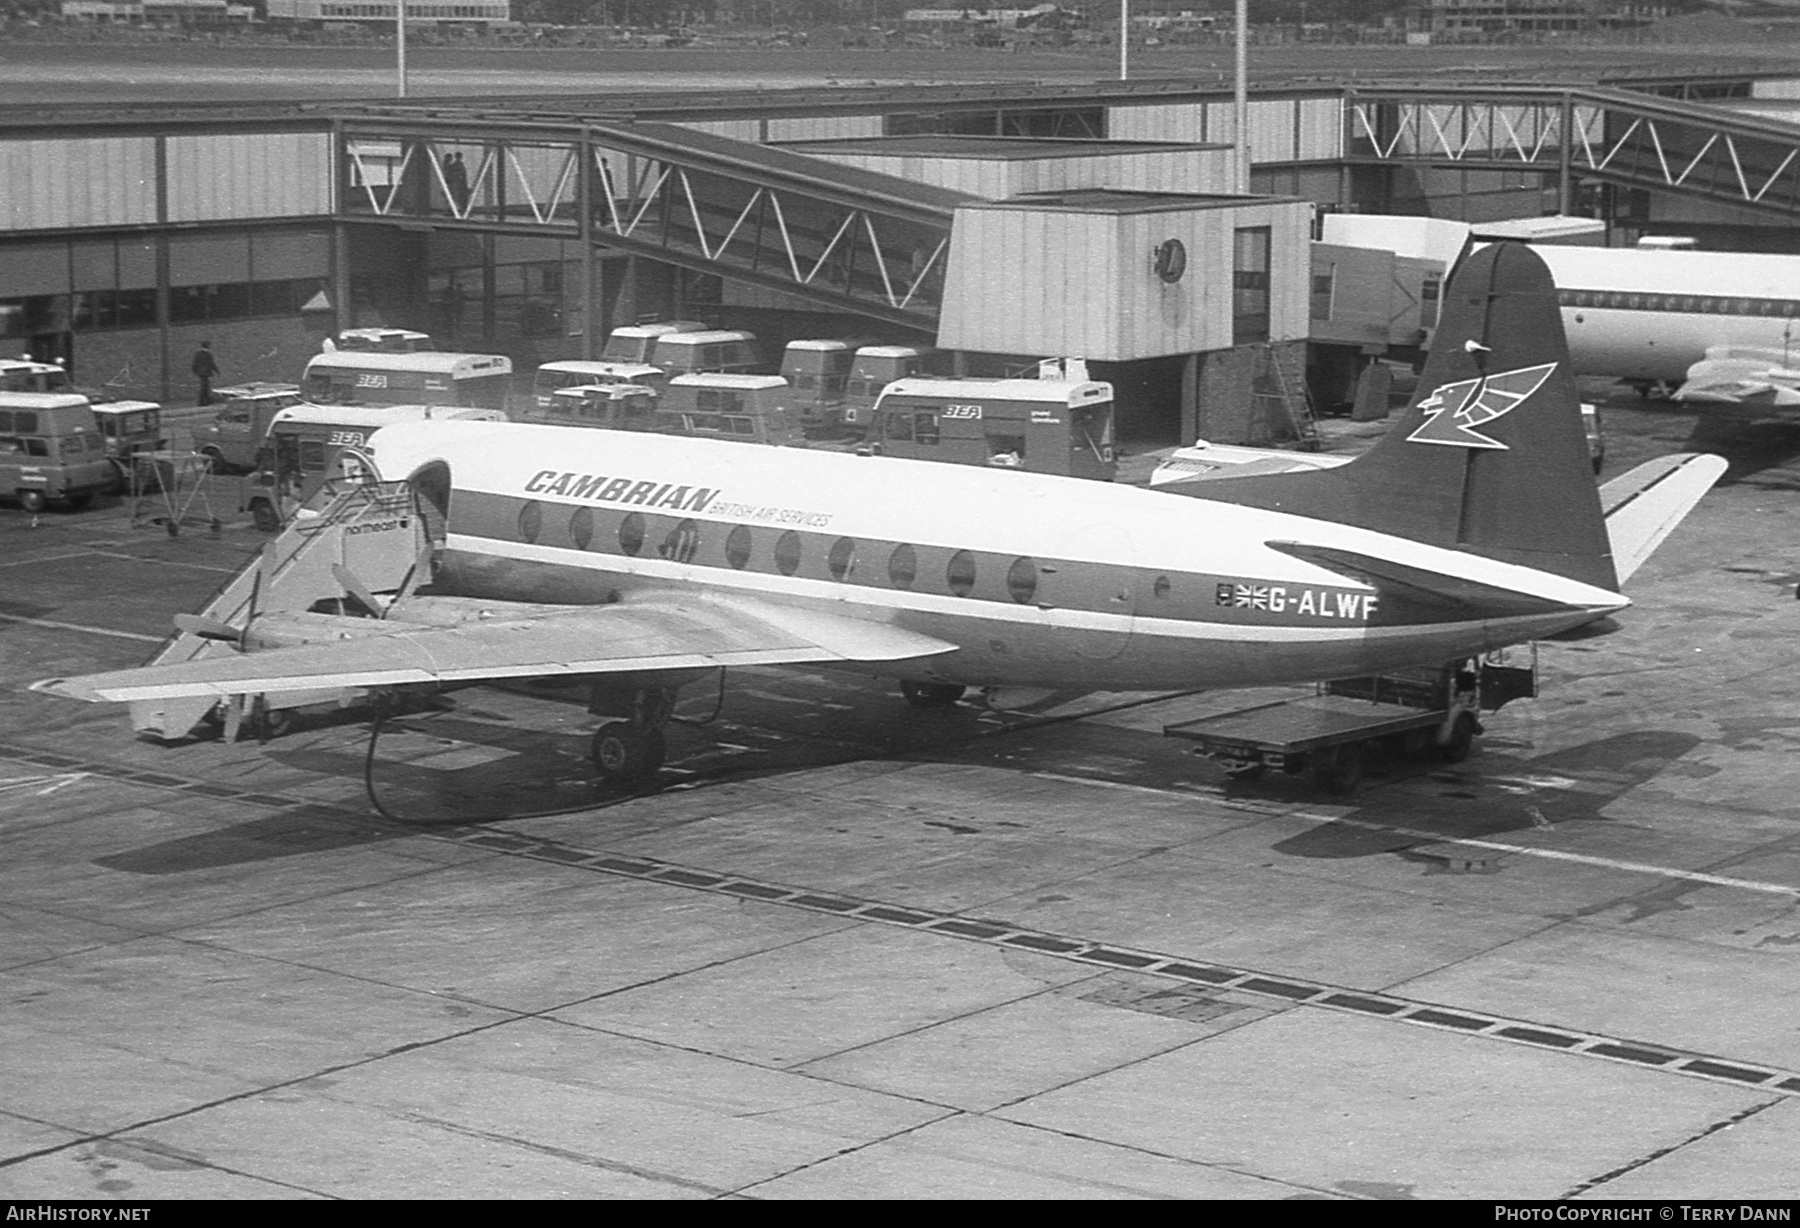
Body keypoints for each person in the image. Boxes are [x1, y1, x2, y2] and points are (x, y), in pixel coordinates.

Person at [191, 341, 219, 407]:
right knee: (205, 387)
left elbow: (195, 363)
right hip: (206, 373)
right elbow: (212, 363)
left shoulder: (198, 354)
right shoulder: (208, 354)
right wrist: (216, 371)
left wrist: (195, 371)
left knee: (204, 386)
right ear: (208, 346)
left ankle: (206, 401)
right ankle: (203, 402)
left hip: (200, 373)